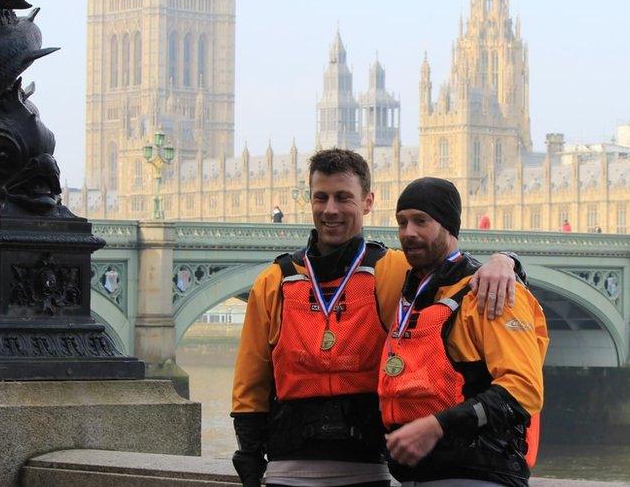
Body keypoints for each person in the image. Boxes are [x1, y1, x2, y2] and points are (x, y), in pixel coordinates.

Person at [231, 149, 523, 487]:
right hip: (288, 465)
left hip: (368, 466)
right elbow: (251, 378)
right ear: (309, 200)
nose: (330, 210)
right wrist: (249, 454)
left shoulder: (396, 269)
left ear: (367, 202)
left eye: (343, 198)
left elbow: (455, 271)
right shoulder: (276, 280)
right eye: (320, 197)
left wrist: (506, 261)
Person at [379, 177, 548, 487]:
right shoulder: (411, 293)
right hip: (420, 475)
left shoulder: (489, 292)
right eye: (402, 222)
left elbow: (524, 390)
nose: (408, 233)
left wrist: (436, 426)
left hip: (479, 473)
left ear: (448, 226)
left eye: (421, 221)